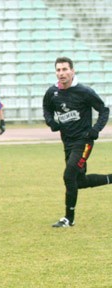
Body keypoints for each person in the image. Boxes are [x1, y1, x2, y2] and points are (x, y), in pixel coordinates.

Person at [43, 57, 111, 228]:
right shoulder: (52, 93)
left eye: (65, 69)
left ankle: (68, 218)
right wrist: (51, 121)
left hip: (84, 141)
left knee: (68, 176)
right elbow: (47, 108)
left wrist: (95, 130)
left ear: (72, 71)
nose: (61, 73)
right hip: (67, 142)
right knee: (78, 181)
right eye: (58, 70)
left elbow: (103, 110)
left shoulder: (84, 92)